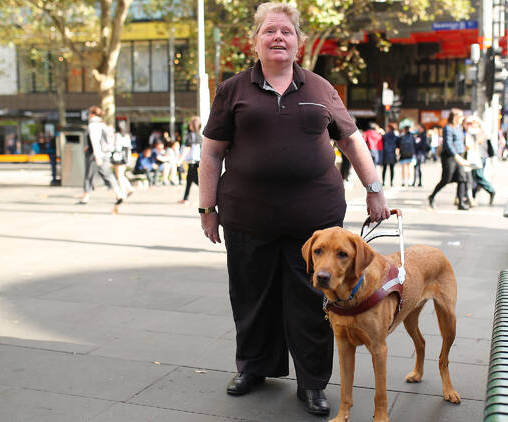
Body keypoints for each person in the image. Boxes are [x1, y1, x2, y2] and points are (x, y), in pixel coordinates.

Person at [197, 2, 389, 416]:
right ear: (256, 41)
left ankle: (313, 383)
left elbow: (353, 141)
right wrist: (206, 207)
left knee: (314, 302)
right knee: (251, 296)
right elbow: (211, 153)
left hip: (315, 223)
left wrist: (374, 189)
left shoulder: (322, 89)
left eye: (286, 31)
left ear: (299, 42)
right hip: (248, 217)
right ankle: (254, 368)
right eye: (269, 31)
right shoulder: (232, 90)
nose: (278, 37)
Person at [79, 105, 126, 213]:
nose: (88, 115)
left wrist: (97, 155)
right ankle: (119, 194)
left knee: (88, 175)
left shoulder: (93, 125)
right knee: (108, 174)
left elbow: (95, 142)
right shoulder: (103, 124)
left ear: (93, 114)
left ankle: (85, 197)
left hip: (95, 155)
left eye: (89, 113)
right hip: (105, 154)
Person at [428, 108, 471, 210]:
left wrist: (464, 150)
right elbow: (448, 144)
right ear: (455, 117)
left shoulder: (459, 127)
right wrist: (456, 156)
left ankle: (460, 202)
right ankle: (432, 196)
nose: (462, 118)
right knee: (446, 179)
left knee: (462, 179)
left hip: (460, 155)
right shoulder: (448, 128)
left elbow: (460, 141)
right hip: (450, 157)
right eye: (460, 116)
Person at [464, 116, 496, 205]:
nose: (471, 125)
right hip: (474, 157)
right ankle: (471, 197)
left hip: (479, 157)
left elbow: (478, 143)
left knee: (478, 175)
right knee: (473, 177)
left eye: (473, 122)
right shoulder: (472, 132)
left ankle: (491, 190)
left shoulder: (480, 132)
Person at [178, 116, 203, 204]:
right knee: (189, 179)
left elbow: (187, 149)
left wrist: (179, 160)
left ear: (192, 125)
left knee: (194, 179)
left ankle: (208, 192)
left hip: (192, 160)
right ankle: (185, 198)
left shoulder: (190, 135)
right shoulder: (200, 136)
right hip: (198, 160)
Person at [113, 121, 135, 197]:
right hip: (125, 157)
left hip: (118, 157)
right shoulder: (127, 136)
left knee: (119, 176)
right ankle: (129, 188)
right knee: (120, 175)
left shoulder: (117, 135)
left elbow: (117, 147)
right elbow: (129, 148)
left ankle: (123, 192)